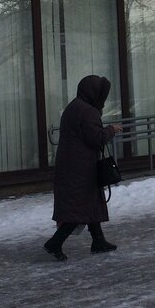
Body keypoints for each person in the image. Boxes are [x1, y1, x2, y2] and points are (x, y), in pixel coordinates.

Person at [44, 75, 123, 260]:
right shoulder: (88, 111)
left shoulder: (74, 107)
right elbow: (96, 139)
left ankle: (98, 241)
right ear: (94, 93)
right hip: (81, 168)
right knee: (80, 208)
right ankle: (54, 243)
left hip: (73, 165)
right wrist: (111, 129)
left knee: (90, 203)